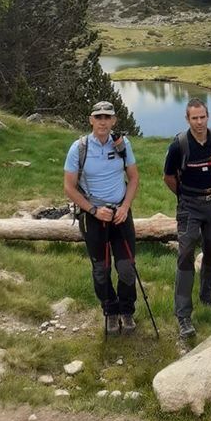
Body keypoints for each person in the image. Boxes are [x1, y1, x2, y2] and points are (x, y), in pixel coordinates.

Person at [64, 101, 139, 336]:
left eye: (108, 117)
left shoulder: (122, 144)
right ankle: (110, 311)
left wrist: (125, 207)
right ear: (91, 120)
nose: (103, 121)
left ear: (114, 120)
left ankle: (126, 311)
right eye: (99, 117)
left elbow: (134, 179)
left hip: (120, 215)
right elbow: (69, 187)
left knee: (126, 267)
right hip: (94, 216)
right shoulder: (79, 148)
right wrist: (94, 210)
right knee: (101, 269)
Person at [163, 98, 211, 340]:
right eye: (195, 118)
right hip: (189, 206)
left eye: (203, 117)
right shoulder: (178, 145)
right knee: (185, 254)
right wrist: (185, 196)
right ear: (187, 119)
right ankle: (183, 315)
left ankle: (207, 296)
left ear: (208, 116)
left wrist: (209, 188)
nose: (199, 122)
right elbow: (169, 177)